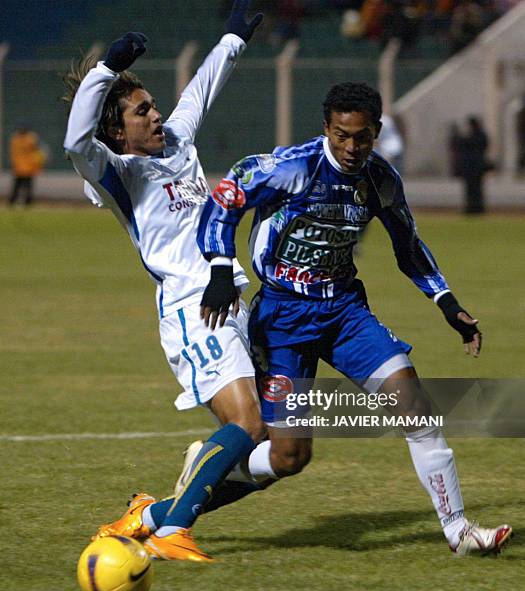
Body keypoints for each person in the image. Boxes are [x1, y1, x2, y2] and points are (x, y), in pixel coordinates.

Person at [194, 81, 512, 556]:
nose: (350, 147)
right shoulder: (293, 168)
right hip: (282, 319)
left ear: (376, 132)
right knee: (289, 456)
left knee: (416, 407)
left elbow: (407, 245)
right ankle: (199, 481)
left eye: (361, 137)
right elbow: (226, 196)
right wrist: (220, 268)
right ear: (326, 128)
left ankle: (458, 530)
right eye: (341, 135)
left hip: (344, 312)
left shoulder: (380, 179)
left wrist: (446, 302)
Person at [63, 0, 267, 562]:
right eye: (141, 111)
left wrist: (233, 39)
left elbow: (201, 89)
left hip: (232, 300)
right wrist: (106, 68)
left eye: (153, 107)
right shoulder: (120, 176)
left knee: (273, 452)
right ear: (116, 130)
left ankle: (150, 516)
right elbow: (75, 144)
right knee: (248, 426)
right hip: (193, 311)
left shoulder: (176, 141)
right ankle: (173, 531)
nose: (156, 116)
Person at [457, 115, 489, 214]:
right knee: (472, 189)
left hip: (474, 167)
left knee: (475, 189)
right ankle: (473, 208)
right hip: (474, 167)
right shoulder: (480, 136)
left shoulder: (476, 136)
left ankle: (476, 208)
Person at [8, 128, 46, 206]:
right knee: (27, 187)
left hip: (20, 167)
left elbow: (13, 154)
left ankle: (12, 201)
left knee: (17, 187)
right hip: (28, 167)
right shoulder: (31, 139)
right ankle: (27, 202)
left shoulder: (15, 140)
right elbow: (38, 153)